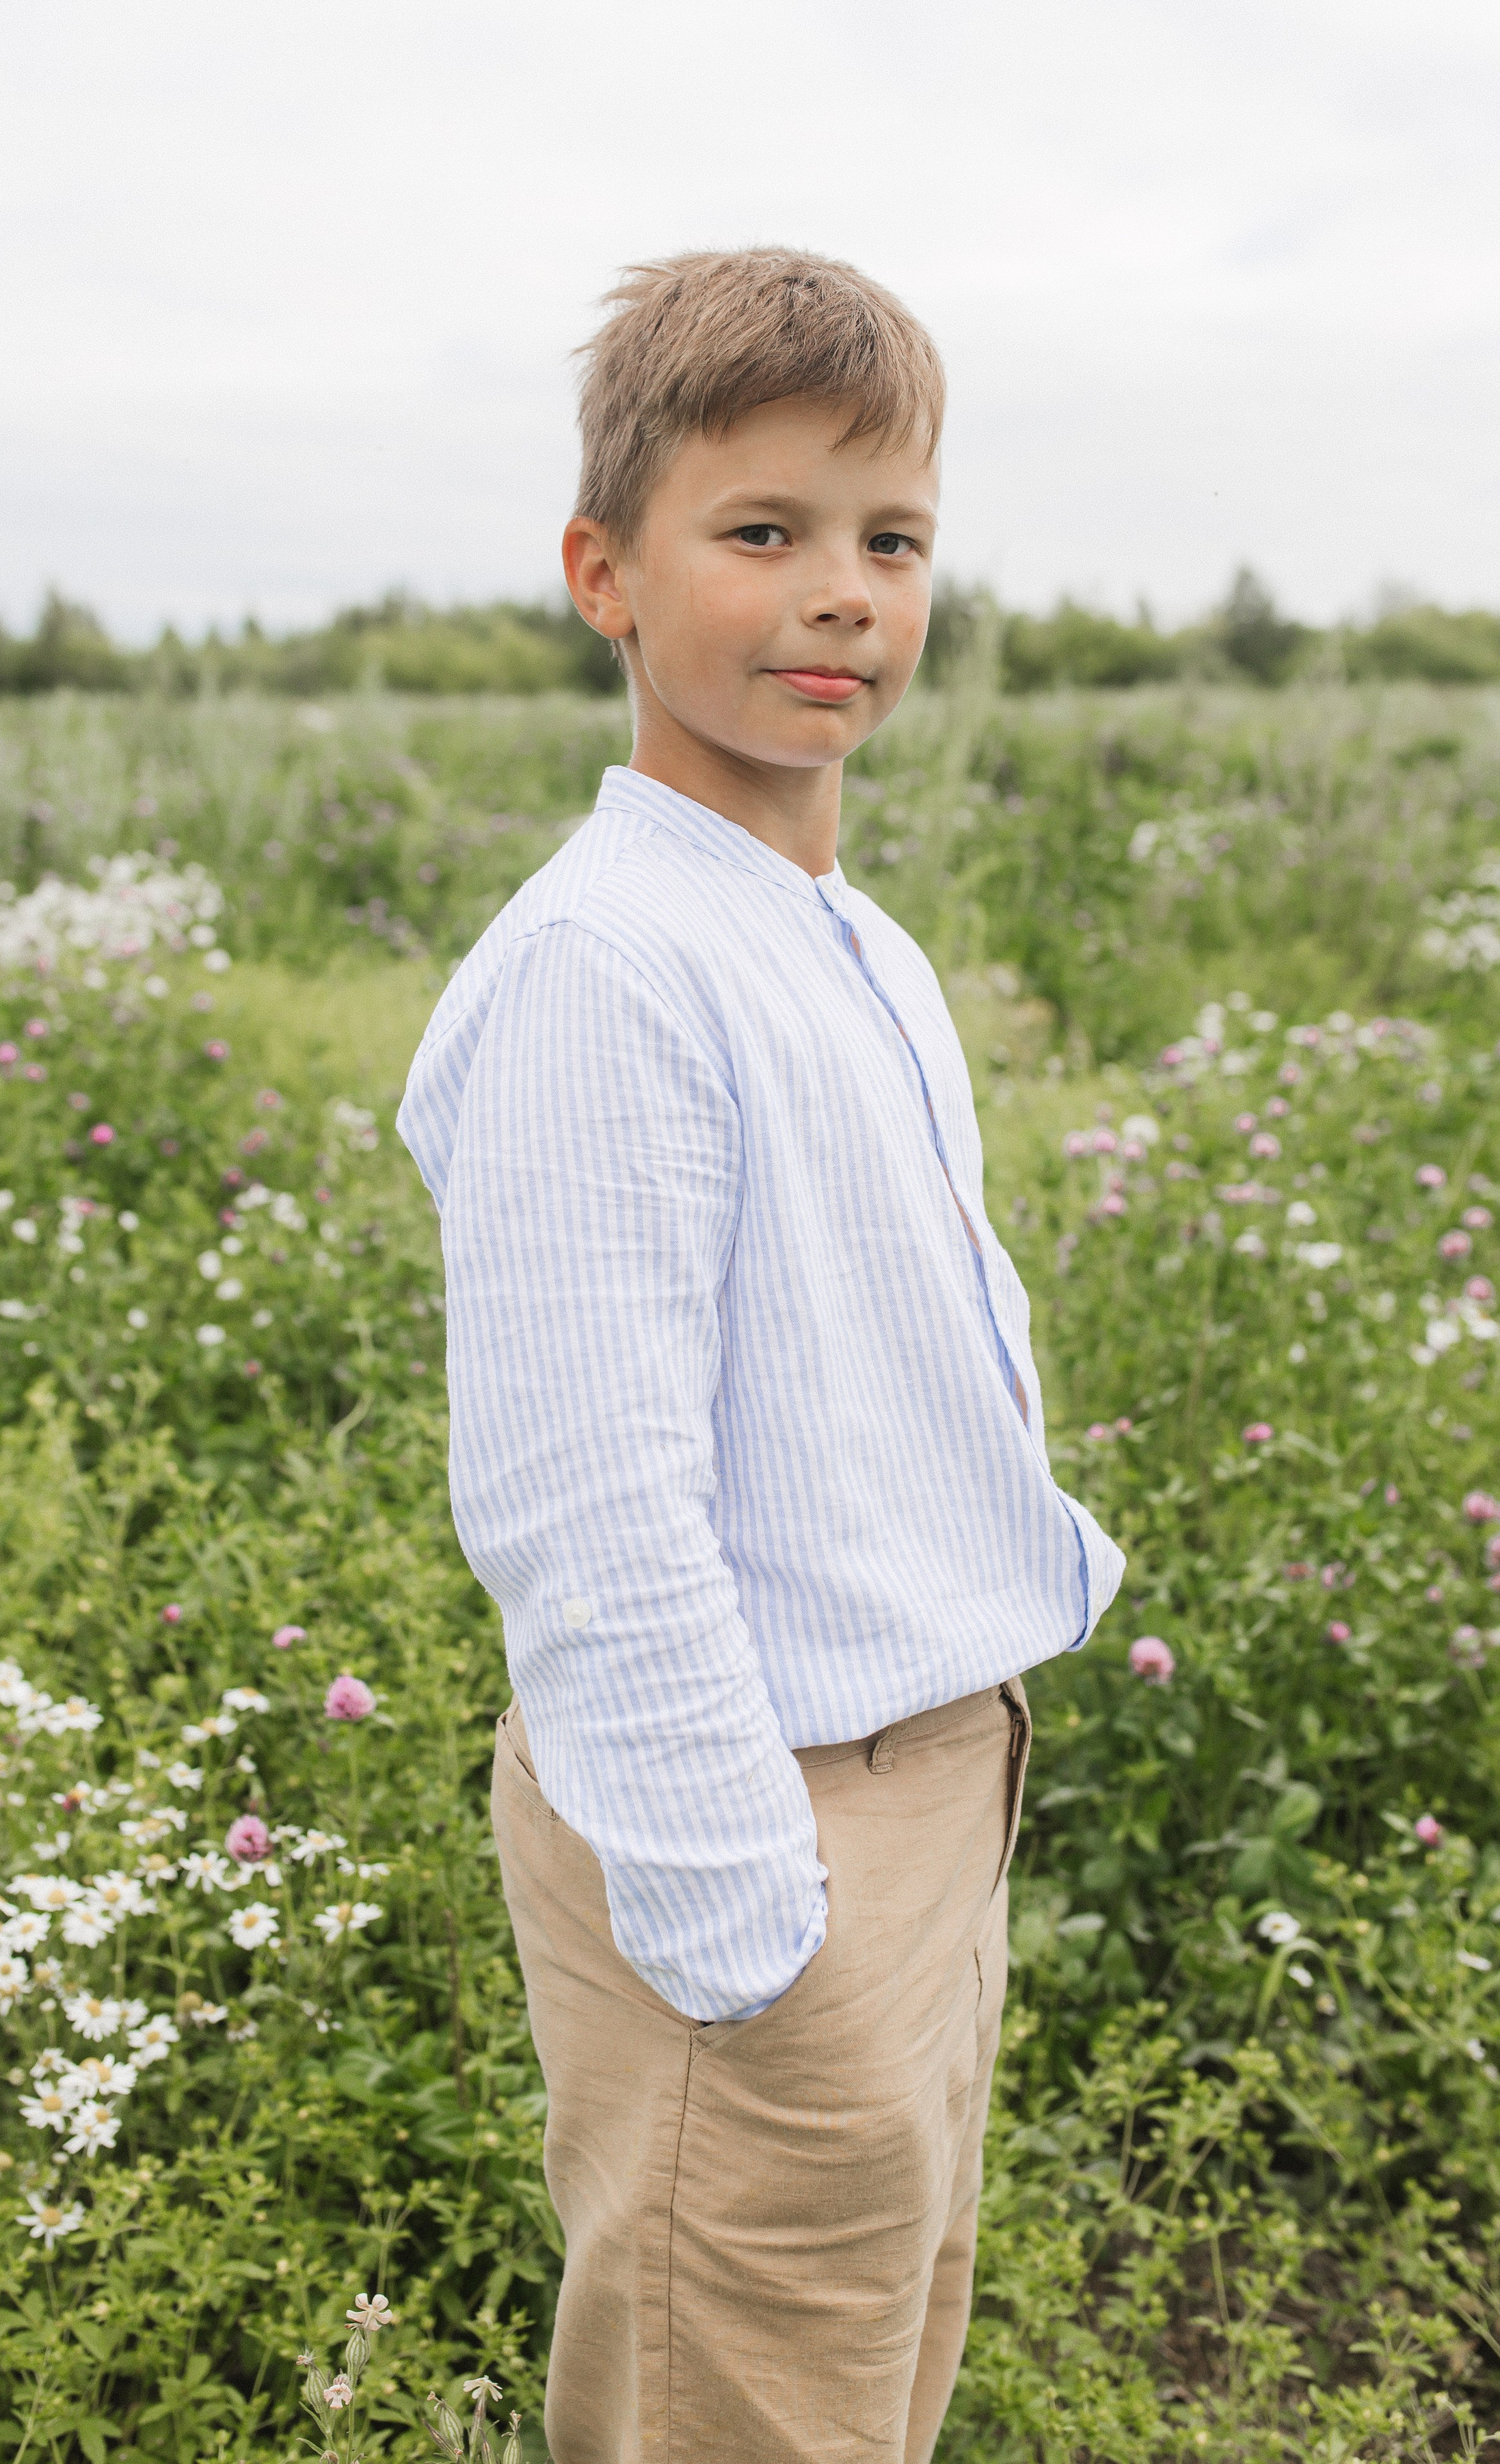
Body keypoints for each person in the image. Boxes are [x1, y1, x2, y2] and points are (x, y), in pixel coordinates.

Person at [396, 247, 1124, 2463]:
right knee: (740, 2415)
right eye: (764, 533)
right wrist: (747, 1940)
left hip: (917, 1802)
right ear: (603, 575)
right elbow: (587, 1498)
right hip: (756, 1850)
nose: (842, 598)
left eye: (888, 541)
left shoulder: (843, 934)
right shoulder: (605, 973)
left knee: (864, 2387)